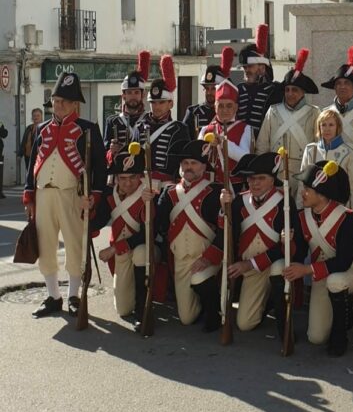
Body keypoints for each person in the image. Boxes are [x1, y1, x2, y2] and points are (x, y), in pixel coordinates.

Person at [23, 72, 107, 317]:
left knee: (74, 245)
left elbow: (100, 167)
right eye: (56, 100)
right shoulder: (43, 129)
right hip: (44, 195)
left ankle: (73, 296)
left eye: (63, 101)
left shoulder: (88, 129)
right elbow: (33, 164)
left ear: (74, 104)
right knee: (45, 246)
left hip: (73, 195)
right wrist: (29, 195)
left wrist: (94, 196)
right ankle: (53, 296)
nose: (57, 105)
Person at [220, 152, 306, 338]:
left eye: (261, 178)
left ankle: (283, 324)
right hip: (251, 270)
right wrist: (224, 208)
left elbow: (292, 246)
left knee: (278, 268)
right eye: (251, 179)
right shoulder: (240, 201)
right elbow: (228, 234)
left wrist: (250, 263)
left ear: (272, 180)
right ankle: (267, 300)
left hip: (272, 264)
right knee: (245, 324)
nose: (255, 183)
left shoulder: (285, 202)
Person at [284, 161, 353, 356]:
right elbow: (299, 254)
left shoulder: (347, 218)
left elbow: (343, 262)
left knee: (335, 281)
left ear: (321, 194)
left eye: (307, 190)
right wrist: (287, 242)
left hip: (346, 273)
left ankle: (340, 334)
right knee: (316, 337)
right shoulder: (302, 217)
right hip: (320, 275)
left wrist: (306, 270)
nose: (302, 193)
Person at [154, 139, 223, 331]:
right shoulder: (169, 192)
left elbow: (225, 231)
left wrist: (209, 257)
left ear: (203, 167)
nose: (188, 167)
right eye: (185, 163)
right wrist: (148, 202)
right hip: (181, 260)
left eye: (193, 163)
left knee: (201, 279)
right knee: (186, 318)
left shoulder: (215, 192)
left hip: (206, 257)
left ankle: (213, 310)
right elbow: (159, 224)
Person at [93, 147, 155, 329]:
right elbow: (98, 221)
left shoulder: (149, 194)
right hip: (122, 254)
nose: (127, 183)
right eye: (122, 178)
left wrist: (114, 248)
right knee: (122, 309)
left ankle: (143, 311)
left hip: (145, 249)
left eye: (132, 177)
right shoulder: (110, 195)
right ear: (117, 179)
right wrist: (86, 209)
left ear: (140, 177)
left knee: (141, 253)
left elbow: (147, 234)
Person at [256, 48, 320, 197]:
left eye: (295, 90)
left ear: (303, 92)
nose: (290, 94)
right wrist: (264, 172)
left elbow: (318, 147)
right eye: (287, 90)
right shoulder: (273, 111)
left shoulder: (314, 113)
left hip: (303, 172)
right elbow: (262, 145)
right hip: (276, 171)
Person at [131, 55, 189, 190]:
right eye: (153, 103)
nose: (156, 107)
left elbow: (183, 161)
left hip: (167, 186)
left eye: (161, 102)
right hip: (141, 186)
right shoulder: (139, 127)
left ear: (171, 104)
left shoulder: (179, 129)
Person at [321, 45, 353, 180]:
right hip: (331, 174)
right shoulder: (325, 113)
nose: (342, 86)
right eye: (338, 83)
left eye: (347, 83)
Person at [298, 108, 353, 213]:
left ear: (338, 127)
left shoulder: (350, 151)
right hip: (313, 210)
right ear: (319, 127)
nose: (327, 129)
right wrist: (300, 209)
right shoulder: (310, 150)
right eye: (323, 125)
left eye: (331, 125)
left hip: (339, 209)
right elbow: (302, 182)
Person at [199, 60, 251, 189]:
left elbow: (244, 157)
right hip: (208, 187)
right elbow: (197, 158)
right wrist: (208, 147)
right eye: (220, 106)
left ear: (236, 107)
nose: (225, 110)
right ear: (215, 107)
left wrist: (223, 143)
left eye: (229, 106)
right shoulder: (206, 129)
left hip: (235, 186)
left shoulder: (245, 128)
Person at [103, 51, 150, 167]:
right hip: (119, 173)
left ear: (143, 95)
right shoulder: (112, 121)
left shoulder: (149, 119)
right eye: (129, 93)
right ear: (123, 96)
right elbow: (104, 154)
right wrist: (112, 151)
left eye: (136, 92)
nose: (133, 96)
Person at [237, 24, 276, 136]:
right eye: (245, 67)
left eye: (250, 66)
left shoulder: (274, 90)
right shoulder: (239, 89)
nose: (246, 70)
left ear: (262, 67)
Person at [182, 51, 229, 140]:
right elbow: (185, 140)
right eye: (207, 88)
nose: (209, 92)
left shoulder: (229, 112)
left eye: (213, 88)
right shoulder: (193, 112)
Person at [19, 107, 43, 182]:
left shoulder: (44, 128)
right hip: (27, 156)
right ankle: (31, 187)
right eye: (34, 116)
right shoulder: (29, 128)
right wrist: (20, 154)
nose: (36, 117)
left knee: (37, 174)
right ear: (32, 117)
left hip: (37, 156)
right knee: (30, 174)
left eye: (38, 115)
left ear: (41, 117)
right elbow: (24, 141)